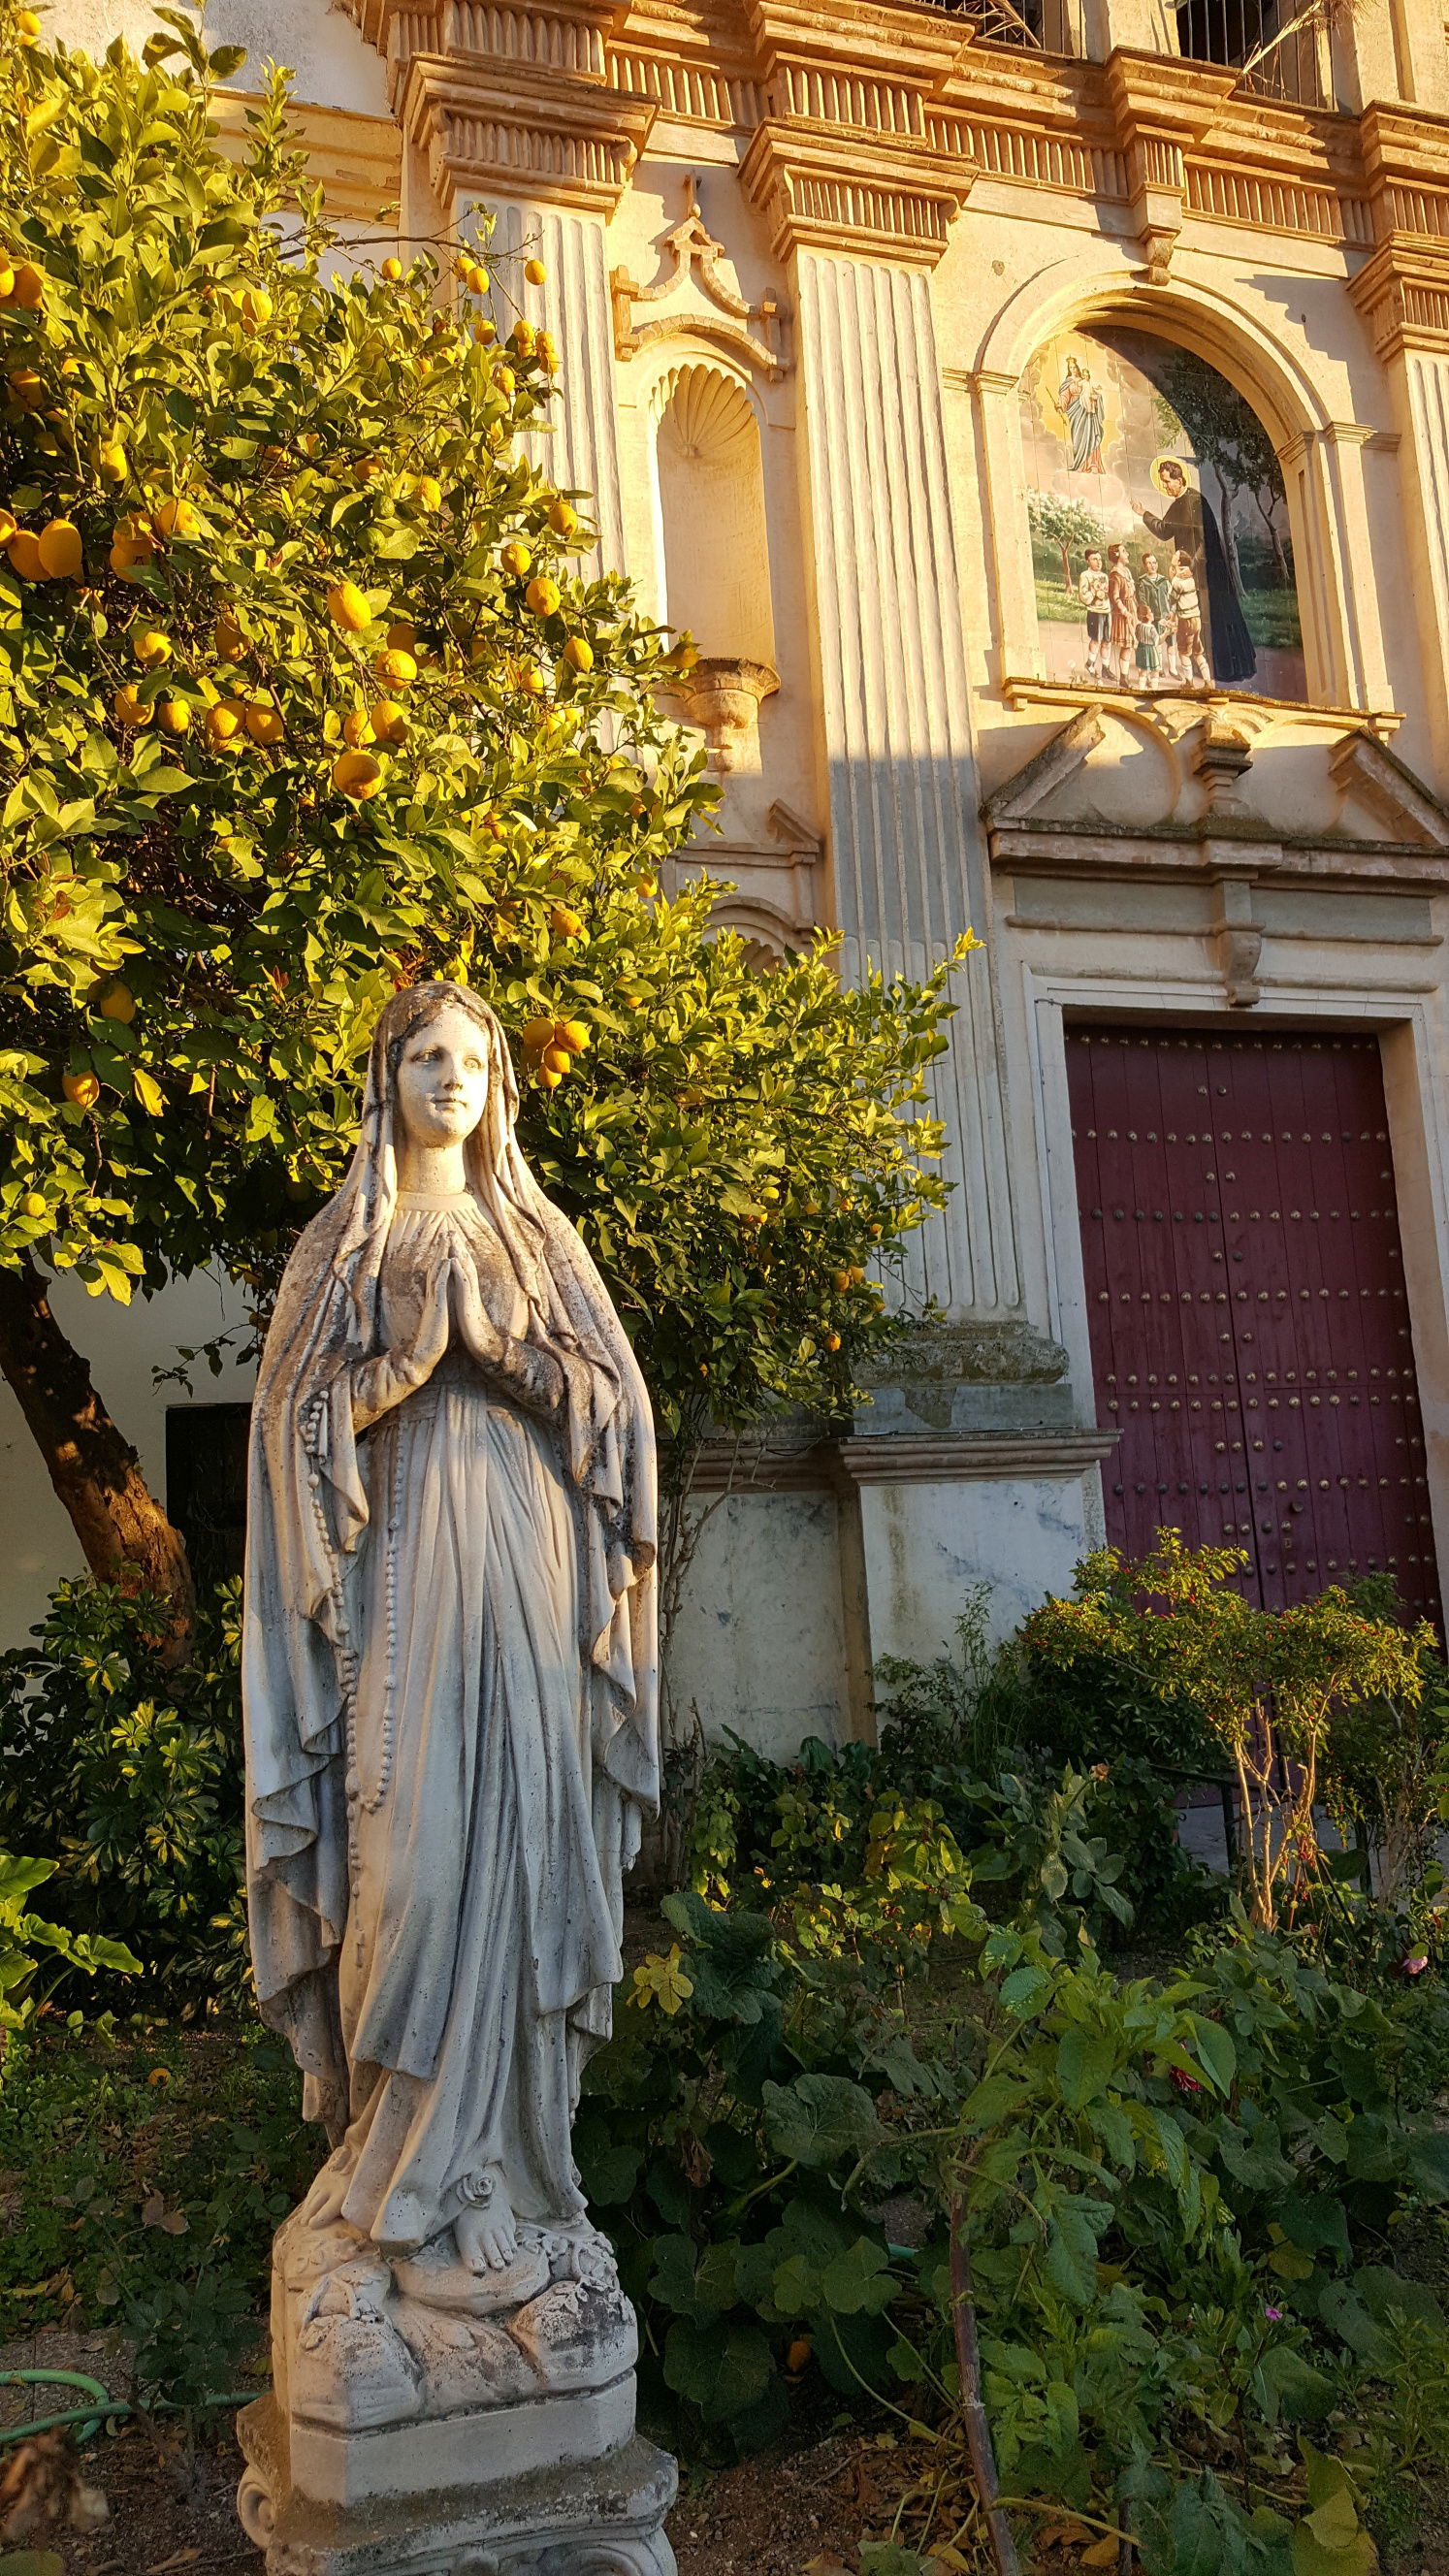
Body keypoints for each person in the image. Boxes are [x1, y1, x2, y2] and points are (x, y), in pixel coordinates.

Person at [242, 982, 659, 2282]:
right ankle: (394, 2167)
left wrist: (507, 1356)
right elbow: (288, 1428)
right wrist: (407, 1371)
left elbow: (618, 1416)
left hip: (531, 1580)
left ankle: (513, 2174)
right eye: (425, 1056)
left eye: (472, 1059)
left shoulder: (536, 1238)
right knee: (410, 1866)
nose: (450, 1078)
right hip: (401, 1585)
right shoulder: (348, 1238)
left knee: (528, 1855)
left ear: (501, 1086)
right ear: (385, 1079)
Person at [1137, 455, 1256, 686]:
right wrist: (1144, 514)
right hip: (1189, 571)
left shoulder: (1195, 502)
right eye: (1162, 482)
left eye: (1168, 481)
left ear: (1180, 479)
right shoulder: (1179, 504)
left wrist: (1192, 566)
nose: (1165, 486)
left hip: (1207, 572)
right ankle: (1200, 668)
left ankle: (1222, 668)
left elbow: (1205, 539)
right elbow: (1164, 530)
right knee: (1192, 616)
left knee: (1211, 614)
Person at [1168, 547, 1212, 688]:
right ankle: (1207, 682)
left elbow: (1171, 599)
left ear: (1179, 561)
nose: (1173, 555)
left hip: (1186, 619)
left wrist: (1172, 578)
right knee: (1198, 651)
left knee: (1183, 652)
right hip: (1196, 618)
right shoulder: (1190, 576)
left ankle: (1189, 683)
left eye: (1175, 555)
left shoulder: (1179, 580)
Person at [1056, 352, 1107, 474]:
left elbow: (1093, 392)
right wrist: (1060, 405)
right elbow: (1064, 396)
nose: (1072, 370)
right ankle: (1080, 464)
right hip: (1075, 412)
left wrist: (1096, 398)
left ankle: (1093, 464)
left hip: (1087, 410)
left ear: (1077, 368)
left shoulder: (1084, 381)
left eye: (1074, 367)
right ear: (1068, 369)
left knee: (1090, 434)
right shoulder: (1068, 382)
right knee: (1078, 437)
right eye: (1070, 368)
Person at [1137, 549, 1174, 680]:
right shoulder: (1143, 581)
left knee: (1170, 642)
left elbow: (1170, 596)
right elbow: (1142, 599)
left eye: (1154, 562)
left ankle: (1173, 669)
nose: (1152, 565)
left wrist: (1170, 611)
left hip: (1165, 615)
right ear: (1144, 565)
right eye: (1149, 563)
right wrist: (1148, 612)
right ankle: (1159, 668)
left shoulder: (1164, 580)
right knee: (1157, 642)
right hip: (1154, 616)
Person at [1107, 542, 1137, 688]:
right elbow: (1114, 597)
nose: (1127, 554)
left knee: (1133, 644)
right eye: (1124, 551)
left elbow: (1132, 592)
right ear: (1117, 555)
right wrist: (1124, 611)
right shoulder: (1115, 575)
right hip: (1123, 612)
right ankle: (1124, 678)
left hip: (1132, 609)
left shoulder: (1127, 571)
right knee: (1126, 646)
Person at [1078, 546, 1109, 679]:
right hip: (1094, 611)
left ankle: (1106, 668)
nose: (1098, 562)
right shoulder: (1085, 575)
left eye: (1100, 559)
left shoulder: (1104, 576)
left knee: (1107, 641)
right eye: (1094, 559)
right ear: (1088, 561)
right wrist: (1095, 593)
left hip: (1106, 611)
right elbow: (1083, 594)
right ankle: (1090, 664)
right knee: (1096, 639)